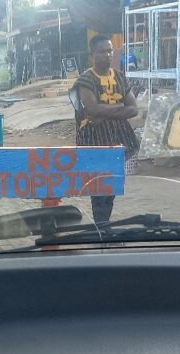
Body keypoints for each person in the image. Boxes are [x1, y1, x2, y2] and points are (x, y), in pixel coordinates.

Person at [73, 34, 141, 223]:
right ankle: (101, 225)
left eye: (110, 50)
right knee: (97, 185)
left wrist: (104, 112)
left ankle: (104, 223)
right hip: (93, 138)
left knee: (111, 183)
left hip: (118, 137)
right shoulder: (85, 80)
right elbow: (92, 110)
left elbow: (134, 109)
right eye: (102, 51)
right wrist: (119, 107)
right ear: (92, 55)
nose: (108, 55)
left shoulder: (120, 77)